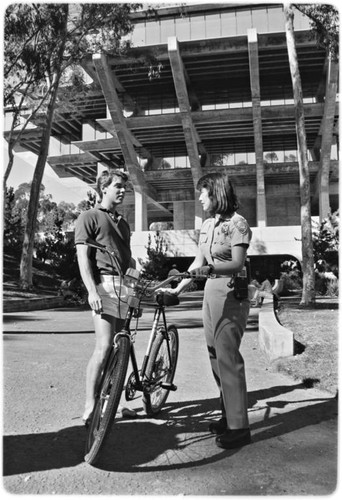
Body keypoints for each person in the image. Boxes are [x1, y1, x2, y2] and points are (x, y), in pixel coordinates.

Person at [170, 172, 252, 449]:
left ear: (216, 193)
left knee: (228, 358)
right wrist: (177, 288)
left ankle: (239, 428)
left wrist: (211, 268)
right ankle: (229, 414)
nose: (200, 198)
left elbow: (238, 263)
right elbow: (198, 261)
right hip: (210, 292)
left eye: (203, 193)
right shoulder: (206, 225)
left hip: (230, 293)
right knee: (215, 356)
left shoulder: (238, 224)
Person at [75, 168, 135, 424]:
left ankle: (110, 404)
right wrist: (91, 290)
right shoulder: (88, 216)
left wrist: (134, 288)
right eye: (118, 186)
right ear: (104, 188)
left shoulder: (124, 222)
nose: (122, 190)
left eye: (124, 187)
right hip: (104, 286)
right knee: (103, 347)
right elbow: (82, 257)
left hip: (124, 288)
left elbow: (128, 258)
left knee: (120, 351)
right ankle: (90, 405)